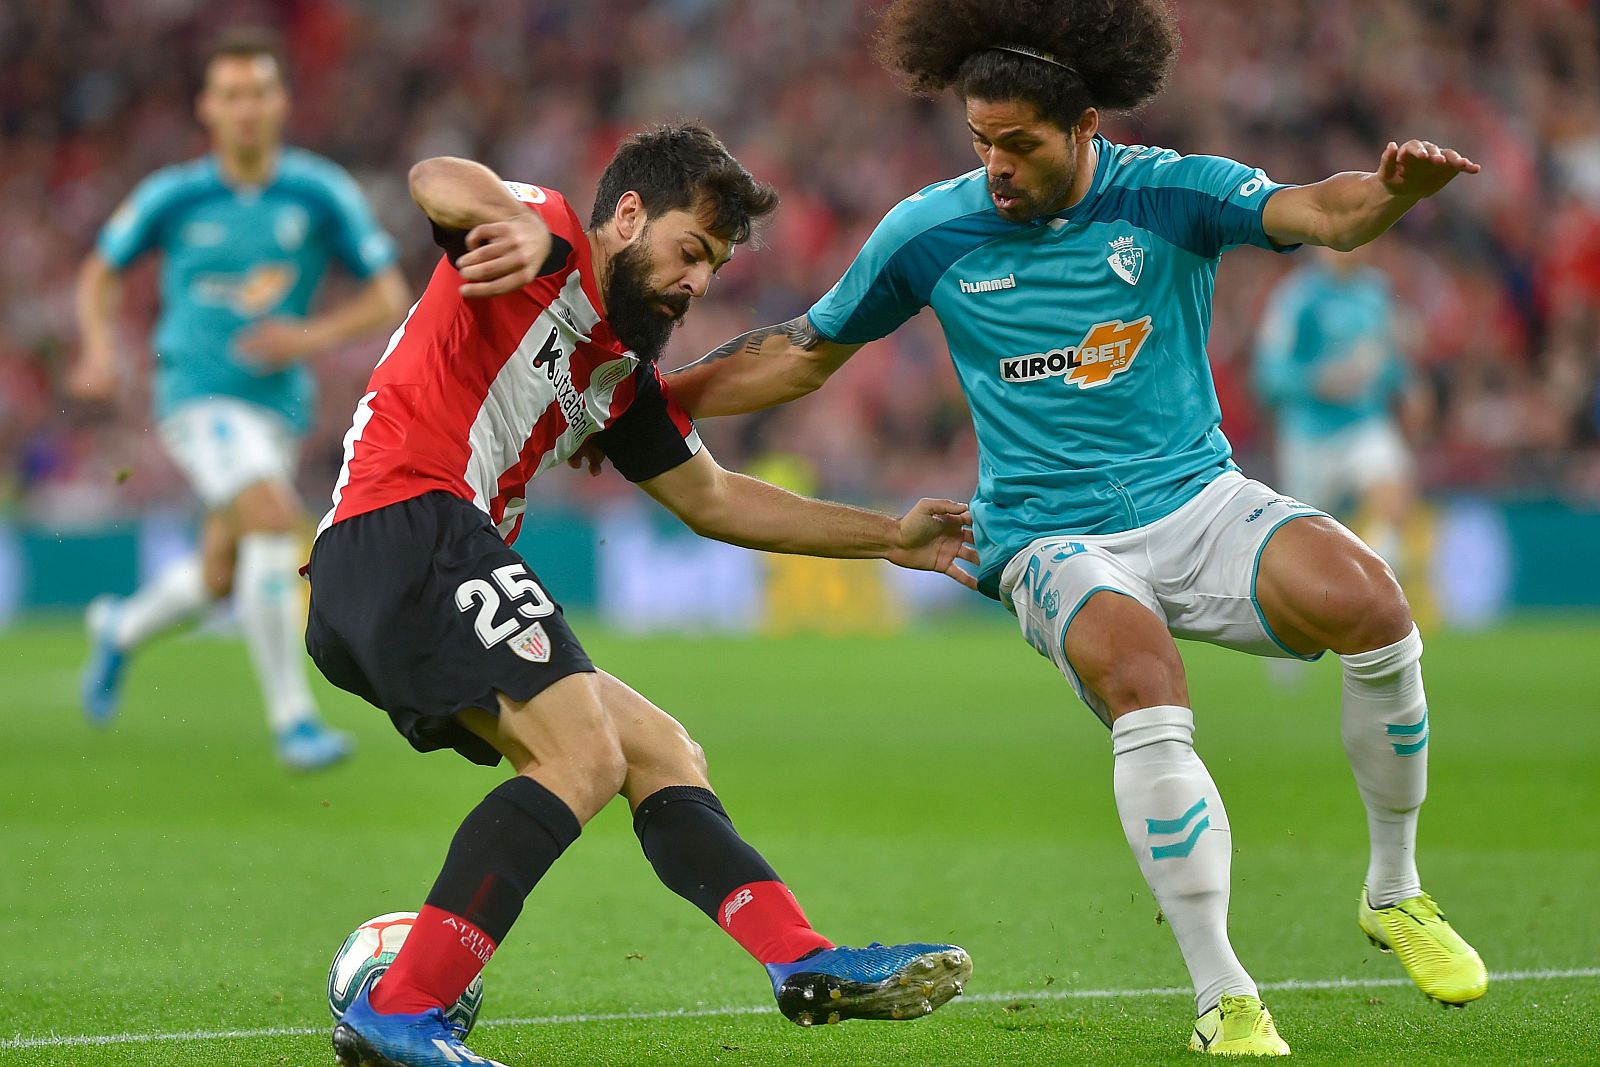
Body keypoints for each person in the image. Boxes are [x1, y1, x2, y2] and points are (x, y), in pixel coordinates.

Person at [655, 0, 1486, 1055]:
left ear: (1086, 125)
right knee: (1144, 678)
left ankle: (1394, 888)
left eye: (1018, 143)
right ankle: (1222, 992)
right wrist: (665, 399)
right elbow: (801, 351)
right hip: (1046, 533)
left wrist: (1387, 194)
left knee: (1371, 602)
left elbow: (1320, 213)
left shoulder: (1169, 192)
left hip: (1197, 496)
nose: (994, 164)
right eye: (978, 140)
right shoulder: (930, 229)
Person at [309, 124, 974, 1067]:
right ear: (627, 215)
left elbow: (715, 498)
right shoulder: (548, 237)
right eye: (689, 250)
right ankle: (402, 1007)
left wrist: (890, 538)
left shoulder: (616, 371)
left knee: (657, 747)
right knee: (579, 757)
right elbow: (434, 176)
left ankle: (802, 958)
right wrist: (513, 222)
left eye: (713, 267)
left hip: (415, 560)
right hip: (405, 521)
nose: (697, 283)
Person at [69, 28, 410, 770]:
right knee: (270, 519)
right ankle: (294, 721)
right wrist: (98, 349)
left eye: (258, 92)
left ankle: (119, 630)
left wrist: (310, 335)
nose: (246, 108)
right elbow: (100, 270)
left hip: (276, 407)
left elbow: (389, 291)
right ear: (208, 108)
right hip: (194, 394)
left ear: (281, 101)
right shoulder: (174, 194)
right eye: (231, 95)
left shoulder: (318, 191)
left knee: (225, 569)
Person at [1253, 246, 1421, 576]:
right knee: (1309, 544)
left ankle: (1379, 572)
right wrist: (1317, 382)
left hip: (1364, 422)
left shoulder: (1375, 293)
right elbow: (1269, 373)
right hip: (1310, 435)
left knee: (1392, 480)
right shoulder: (1297, 297)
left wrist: (1407, 386)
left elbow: (1384, 357)